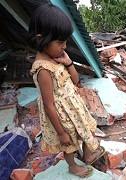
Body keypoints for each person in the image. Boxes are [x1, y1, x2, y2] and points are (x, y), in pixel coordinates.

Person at [29, 3, 105, 178]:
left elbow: (76, 81)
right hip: (61, 115)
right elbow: (49, 105)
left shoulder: (57, 58)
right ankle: (72, 165)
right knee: (69, 143)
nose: (64, 46)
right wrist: (61, 132)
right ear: (41, 38)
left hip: (74, 107)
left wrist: (69, 63)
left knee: (87, 128)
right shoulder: (43, 70)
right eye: (60, 42)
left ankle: (87, 155)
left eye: (65, 41)